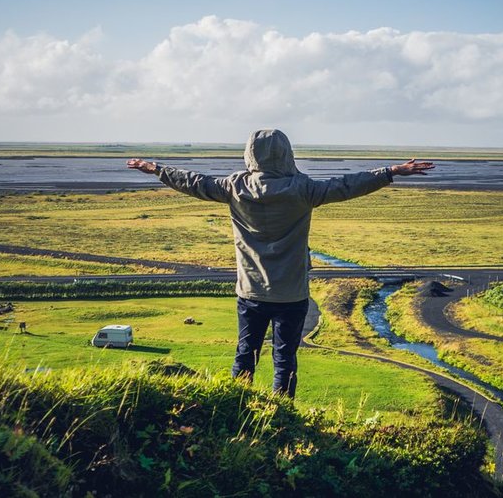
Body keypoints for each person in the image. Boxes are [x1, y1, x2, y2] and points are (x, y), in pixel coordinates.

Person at [127, 129, 433, 397]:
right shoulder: (303, 189)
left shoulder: (234, 187)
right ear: (287, 154)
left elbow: (193, 181)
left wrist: (156, 168)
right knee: (285, 359)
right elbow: (348, 184)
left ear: (250, 155)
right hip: (291, 293)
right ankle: (281, 413)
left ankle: (238, 405)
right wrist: (391, 171)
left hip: (251, 292)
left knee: (246, 354)